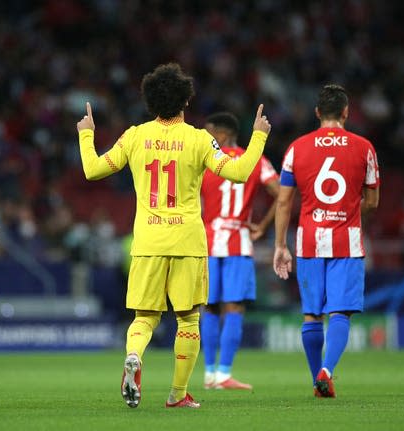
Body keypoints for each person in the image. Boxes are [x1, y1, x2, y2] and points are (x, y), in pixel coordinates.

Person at [76, 63, 270, 408]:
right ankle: (178, 395)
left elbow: (92, 170)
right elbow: (239, 172)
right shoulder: (198, 139)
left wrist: (86, 133)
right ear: (185, 101)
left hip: (147, 241)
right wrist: (258, 135)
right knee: (188, 318)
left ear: (149, 101)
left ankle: (134, 356)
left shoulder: (134, 136)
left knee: (144, 318)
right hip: (188, 242)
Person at [273, 84, 380, 398]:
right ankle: (327, 370)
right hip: (346, 242)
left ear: (317, 113)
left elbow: (282, 202)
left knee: (311, 314)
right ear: (346, 113)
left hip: (308, 242)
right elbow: (372, 202)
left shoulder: (297, 148)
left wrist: (280, 245)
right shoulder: (364, 148)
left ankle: (315, 379)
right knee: (340, 312)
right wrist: (347, 213)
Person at [199, 112, 279, 390]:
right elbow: (282, 194)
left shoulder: (204, 159)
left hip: (207, 242)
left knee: (208, 307)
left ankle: (209, 374)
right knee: (234, 307)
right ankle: (223, 374)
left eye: (209, 132)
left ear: (221, 135)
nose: (205, 137)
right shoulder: (255, 159)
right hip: (238, 241)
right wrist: (264, 225)